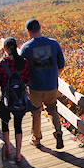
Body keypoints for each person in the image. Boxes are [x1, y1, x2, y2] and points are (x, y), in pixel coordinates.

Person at [20, 19, 66, 149]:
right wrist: (53, 76)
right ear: (40, 28)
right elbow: (61, 65)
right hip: (51, 85)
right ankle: (58, 132)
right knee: (52, 109)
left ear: (28, 32)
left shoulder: (26, 48)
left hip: (35, 87)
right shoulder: (54, 43)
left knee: (36, 112)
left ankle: (36, 139)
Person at [0, 37, 31, 162]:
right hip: (20, 97)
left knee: (5, 122)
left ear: (5, 49)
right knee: (18, 125)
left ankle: (8, 150)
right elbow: (27, 79)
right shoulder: (24, 62)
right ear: (16, 47)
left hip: (6, 97)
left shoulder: (1, 64)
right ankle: (18, 154)